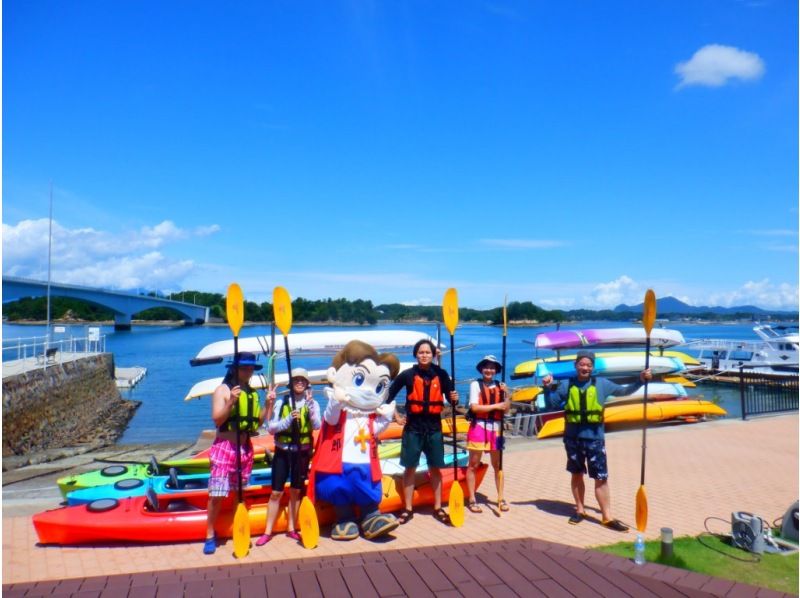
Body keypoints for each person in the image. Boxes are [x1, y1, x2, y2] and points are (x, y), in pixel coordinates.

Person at [542, 350, 652, 532]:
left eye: (589, 365)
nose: (585, 367)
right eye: (582, 364)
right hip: (572, 438)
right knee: (576, 474)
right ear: (575, 365)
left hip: (594, 439)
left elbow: (624, 391)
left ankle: (607, 517)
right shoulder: (565, 385)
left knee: (601, 478)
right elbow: (551, 405)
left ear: (592, 367)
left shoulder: (602, 384)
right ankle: (580, 510)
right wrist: (546, 388)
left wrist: (641, 379)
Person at [386, 338, 458, 525]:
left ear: (433, 355)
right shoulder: (407, 375)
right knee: (410, 468)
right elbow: (388, 396)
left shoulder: (441, 374)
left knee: (436, 468)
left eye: (428, 352)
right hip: (413, 429)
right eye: (421, 352)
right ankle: (407, 508)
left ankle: (437, 507)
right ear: (416, 355)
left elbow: (452, 401)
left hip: (434, 428)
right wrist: (394, 415)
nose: (424, 355)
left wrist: (455, 398)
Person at [204, 352, 266, 554]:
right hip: (225, 447)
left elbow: (257, 422)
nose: (247, 372)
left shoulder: (252, 392)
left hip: (245, 449)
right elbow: (217, 419)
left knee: (239, 494)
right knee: (217, 494)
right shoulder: (223, 390)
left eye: (250, 368)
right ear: (234, 369)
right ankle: (210, 534)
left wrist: (270, 405)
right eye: (244, 368)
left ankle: (238, 529)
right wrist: (230, 402)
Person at [256, 368, 321, 546]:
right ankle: (267, 531)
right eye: (296, 380)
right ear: (291, 383)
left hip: (301, 452)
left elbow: (316, 425)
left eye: (302, 380)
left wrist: (310, 409)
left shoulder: (313, 403)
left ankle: (291, 528)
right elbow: (271, 427)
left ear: (307, 384)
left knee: (296, 491)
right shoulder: (281, 402)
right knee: (276, 492)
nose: (299, 382)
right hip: (283, 452)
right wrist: (287, 421)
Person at [465, 355, 510, 513]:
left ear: (496, 370)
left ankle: (501, 497)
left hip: (496, 429)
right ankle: (472, 498)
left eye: (492, 368)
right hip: (478, 427)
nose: (489, 370)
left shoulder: (501, 386)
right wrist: (497, 405)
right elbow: (475, 408)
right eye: (486, 367)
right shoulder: (475, 385)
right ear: (481, 369)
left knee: (498, 465)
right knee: (473, 465)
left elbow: (506, 408)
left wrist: (507, 394)